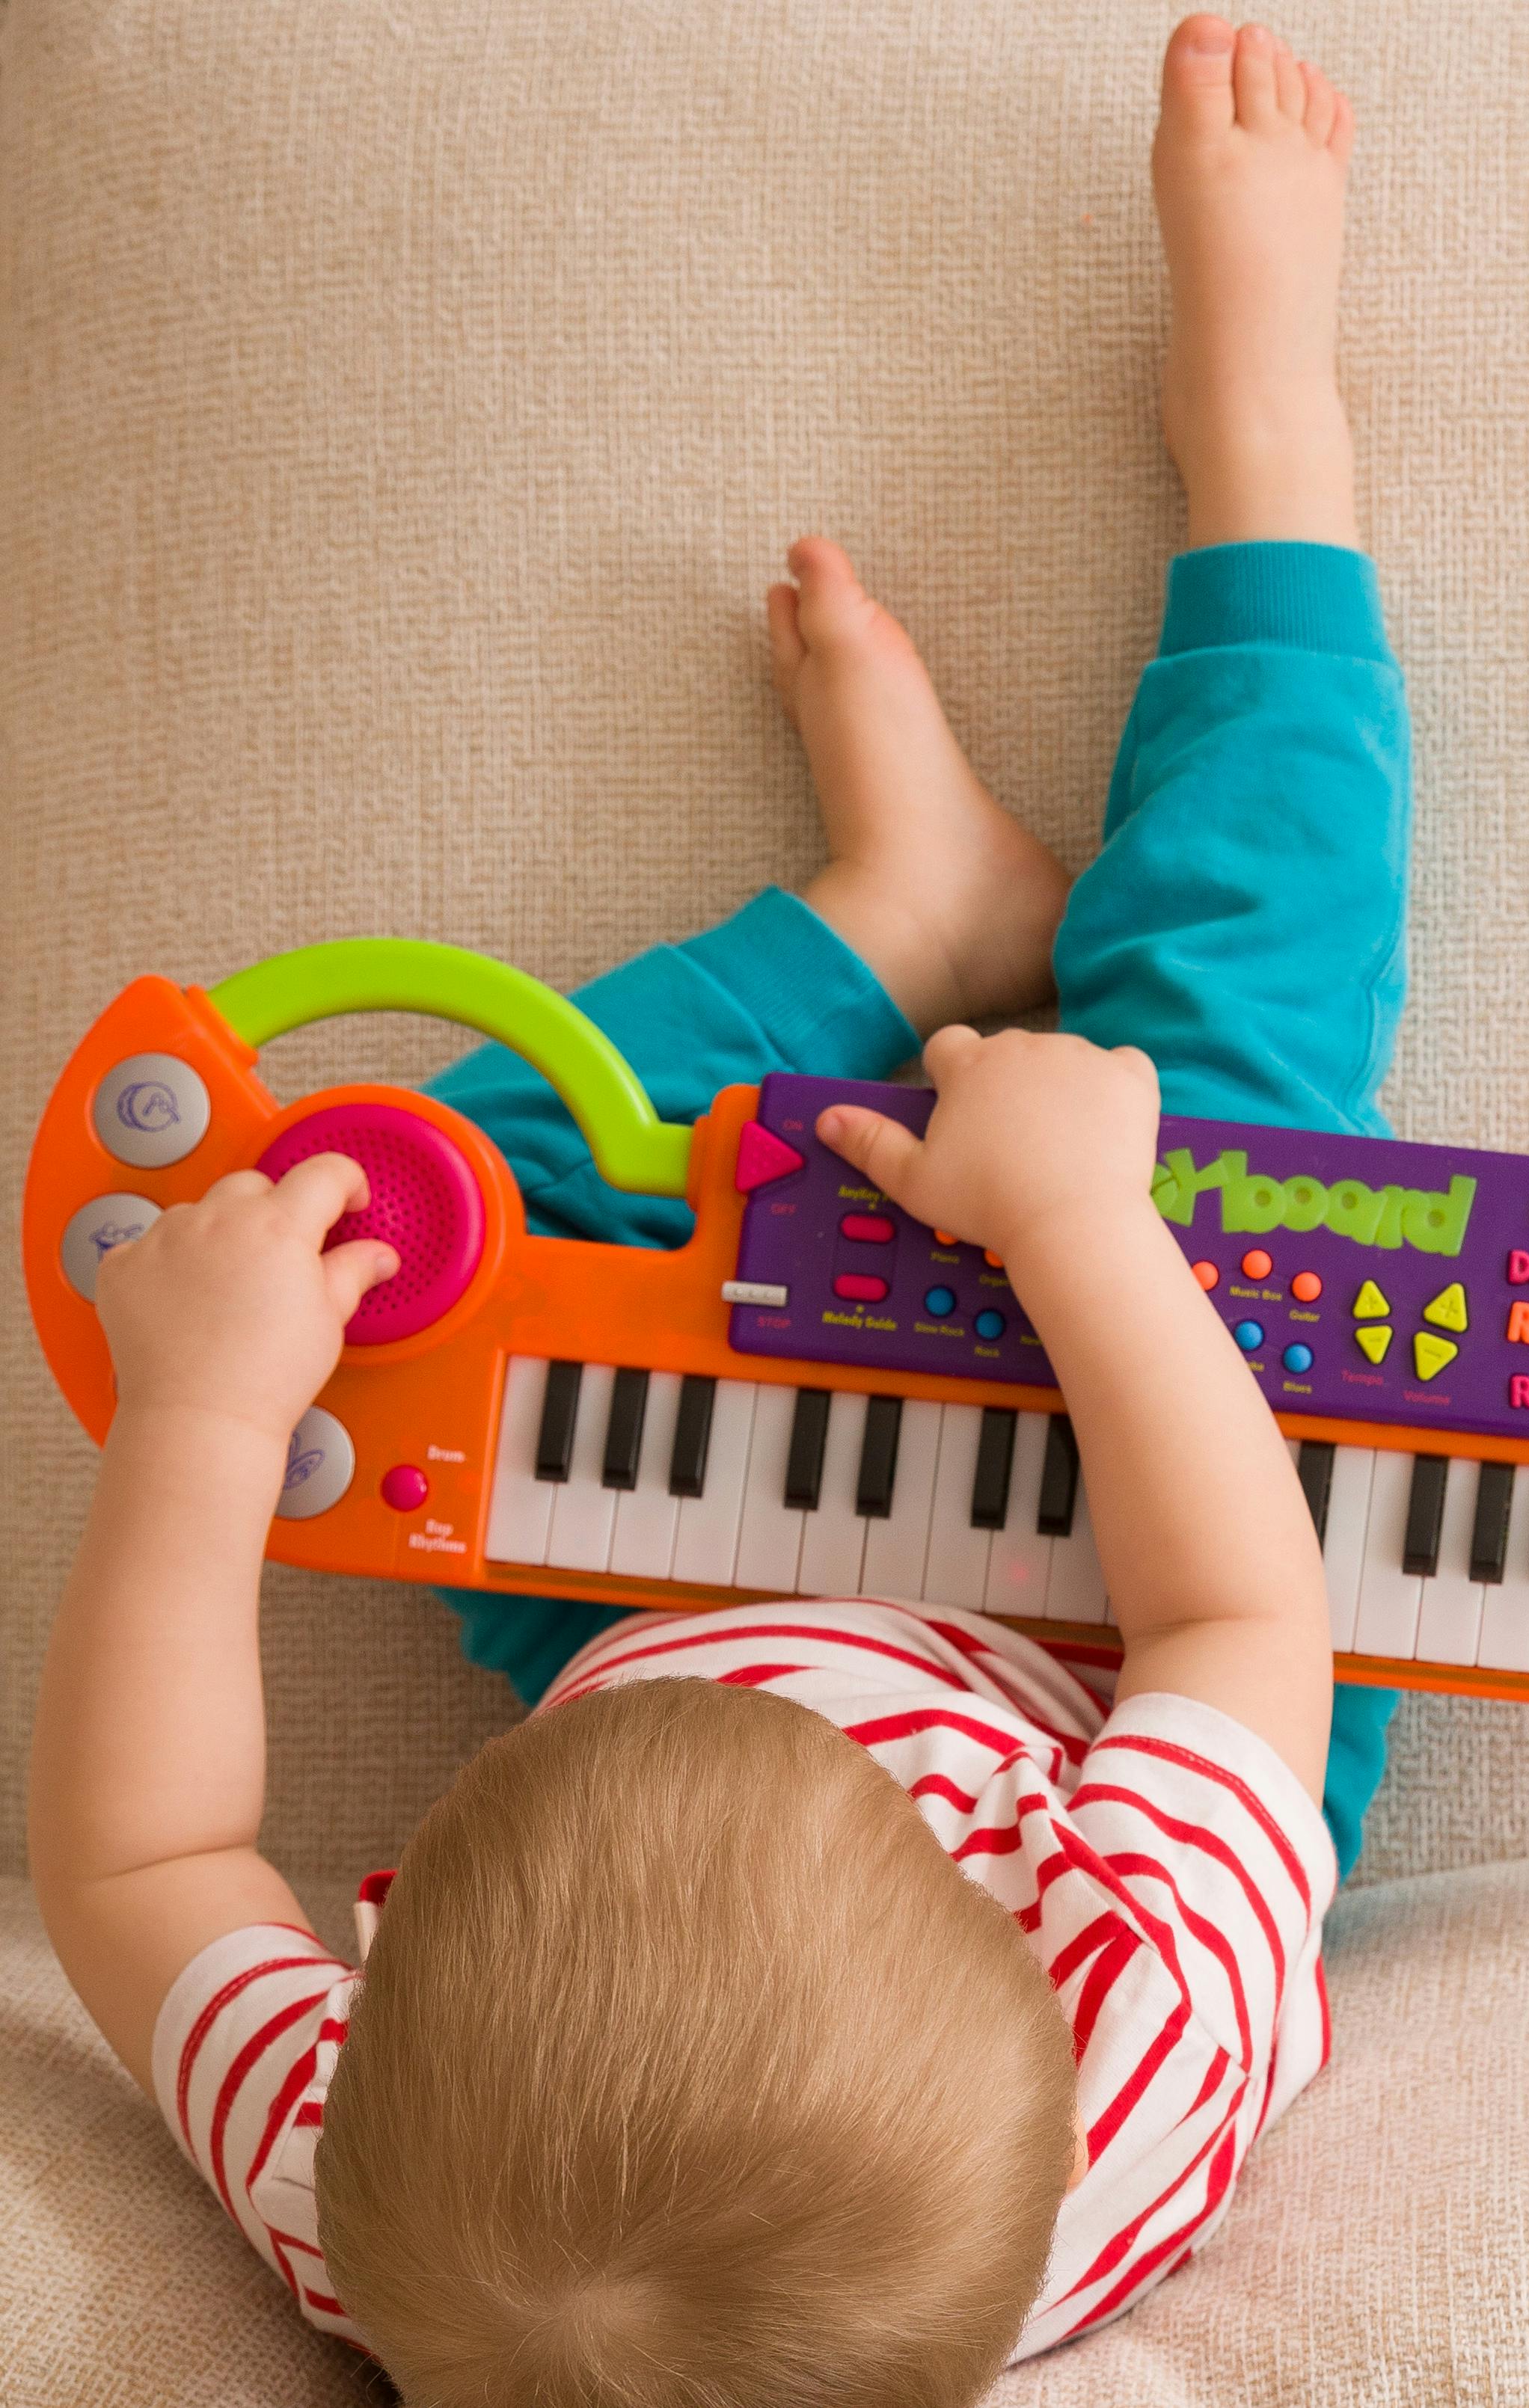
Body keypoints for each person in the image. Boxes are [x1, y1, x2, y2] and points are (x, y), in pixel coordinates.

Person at [25, 19, 1393, 2397]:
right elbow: (1233, 1610)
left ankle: (911, 906)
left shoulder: (395, 2204)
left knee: (430, 1188)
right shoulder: (1136, 2032)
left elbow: (137, 1869)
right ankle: (1270, 439)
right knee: (1241, 1048)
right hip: (1102, 1634)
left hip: (640, 1585)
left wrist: (209, 1428)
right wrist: (1079, 1227)